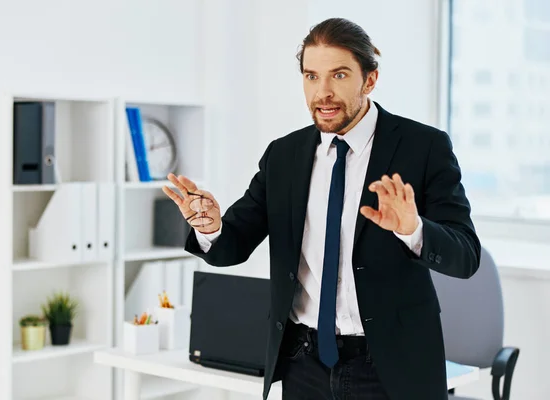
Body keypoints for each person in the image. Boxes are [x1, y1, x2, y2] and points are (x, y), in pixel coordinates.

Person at [162, 17, 481, 400]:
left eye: (339, 75)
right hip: (304, 365)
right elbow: (233, 244)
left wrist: (413, 229)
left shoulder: (423, 147)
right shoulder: (284, 155)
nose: (323, 92)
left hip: (391, 368)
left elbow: (465, 256)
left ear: (370, 80)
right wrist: (211, 227)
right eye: (311, 76)